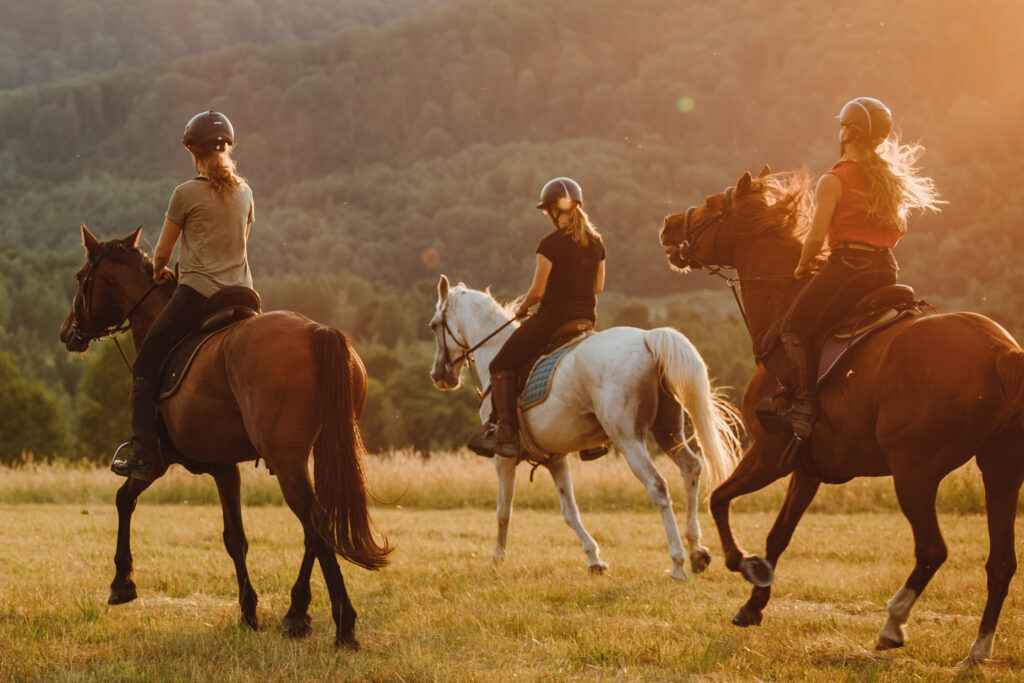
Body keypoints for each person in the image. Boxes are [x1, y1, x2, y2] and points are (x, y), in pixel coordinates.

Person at [781, 97, 942, 437]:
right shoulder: (887, 179)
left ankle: (804, 406)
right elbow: (902, 229)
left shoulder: (834, 179)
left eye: (842, 125)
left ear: (848, 132)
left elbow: (813, 239)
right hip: (886, 269)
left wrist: (802, 266)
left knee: (794, 327)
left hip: (848, 269)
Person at [111, 111, 255, 479]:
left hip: (200, 296)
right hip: (244, 296)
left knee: (145, 364)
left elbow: (161, 254)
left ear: (193, 152)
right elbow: (240, 240)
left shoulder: (185, 193)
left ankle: (142, 453)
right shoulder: (245, 192)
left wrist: (159, 271)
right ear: (227, 150)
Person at [471, 177, 606, 458]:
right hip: (586, 320)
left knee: (500, 363)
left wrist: (522, 307)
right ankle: (594, 438)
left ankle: (506, 432)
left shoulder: (550, 244)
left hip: (553, 320)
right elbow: (598, 287)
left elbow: (538, 290)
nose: (547, 217)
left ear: (556, 210)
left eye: (547, 212)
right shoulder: (596, 244)